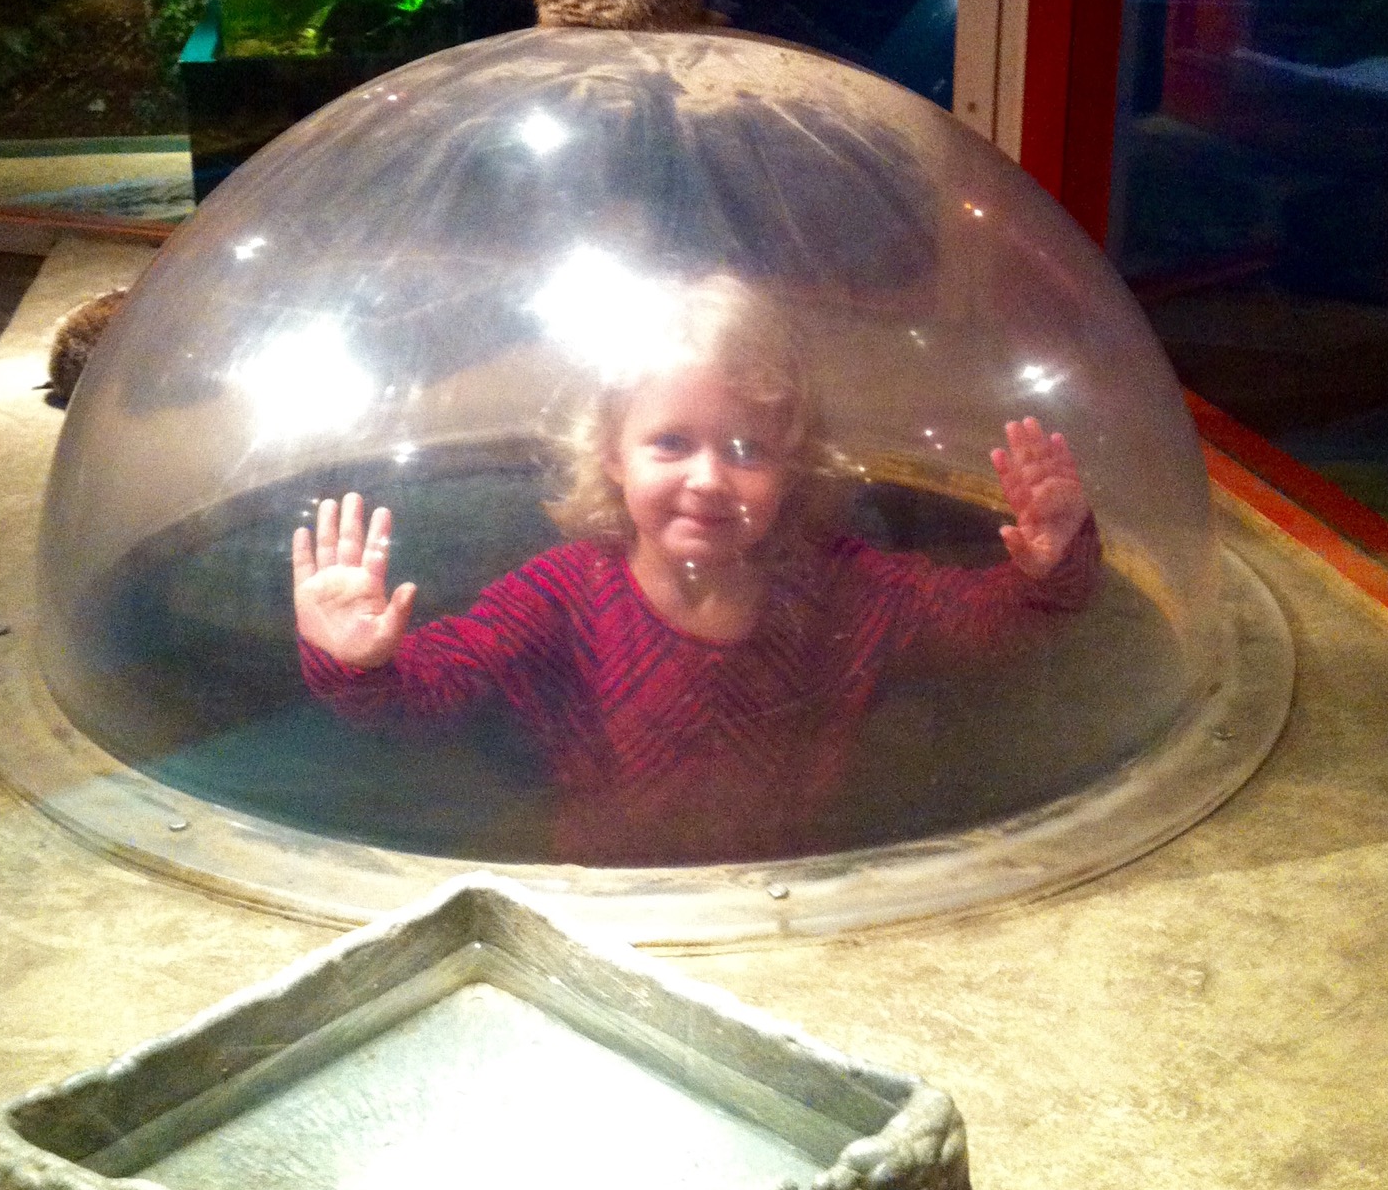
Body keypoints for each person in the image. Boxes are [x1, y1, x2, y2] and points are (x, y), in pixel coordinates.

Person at [294, 274, 1100, 865]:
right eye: (671, 443)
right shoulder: (564, 592)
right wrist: (356, 659)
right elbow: (431, 695)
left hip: (790, 891)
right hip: (612, 900)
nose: (709, 479)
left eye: (746, 450)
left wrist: (1050, 562)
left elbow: (983, 624)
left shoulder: (837, 585)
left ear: (791, 465)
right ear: (613, 455)